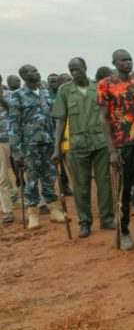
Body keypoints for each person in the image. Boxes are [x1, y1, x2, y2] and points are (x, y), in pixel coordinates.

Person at [98, 50, 134, 249]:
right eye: (123, 60)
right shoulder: (106, 84)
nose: (128, 63)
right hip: (121, 145)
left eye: (130, 59)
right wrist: (112, 151)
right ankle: (123, 232)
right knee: (123, 192)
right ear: (114, 63)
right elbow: (103, 118)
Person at [51, 58, 114, 237]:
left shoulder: (99, 87)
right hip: (78, 145)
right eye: (71, 70)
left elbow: (109, 116)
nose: (74, 73)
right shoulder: (65, 91)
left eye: (77, 69)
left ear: (85, 68)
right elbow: (60, 120)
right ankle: (85, 222)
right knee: (81, 186)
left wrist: (113, 145)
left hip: (100, 143)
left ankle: (107, 218)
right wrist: (57, 148)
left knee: (104, 183)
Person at [9, 65, 67, 229]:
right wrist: (16, 151)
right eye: (32, 71)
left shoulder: (45, 92)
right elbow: (13, 123)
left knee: (50, 176)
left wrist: (58, 141)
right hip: (30, 144)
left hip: (48, 142)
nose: (37, 72)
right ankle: (33, 213)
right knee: (32, 179)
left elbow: (54, 118)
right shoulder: (18, 95)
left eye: (36, 70)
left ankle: (54, 209)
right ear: (24, 76)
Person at [0, 84, 15, 223]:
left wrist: (1, 99)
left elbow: (15, 111)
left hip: (16, 138)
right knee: (2, 178)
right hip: (0, 143)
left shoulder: (11, 94)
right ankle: (8, 211)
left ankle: (39, 205)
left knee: (30, 171)